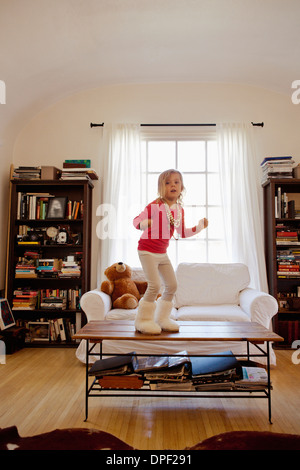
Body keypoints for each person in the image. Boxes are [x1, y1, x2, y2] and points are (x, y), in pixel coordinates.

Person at [133, 169, 208, 334]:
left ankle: (162, 318)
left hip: (161, 253)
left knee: (172, 285)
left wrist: (199, 227)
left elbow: (183, 233)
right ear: (161, 188)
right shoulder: (154, 205)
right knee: (154, 285)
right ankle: (143, 320)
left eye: (176, 182)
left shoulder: (179, 210)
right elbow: (136, 221)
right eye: (167, 183)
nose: (172, 185)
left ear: (181, 187)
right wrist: (144, 223)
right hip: (146, 250)